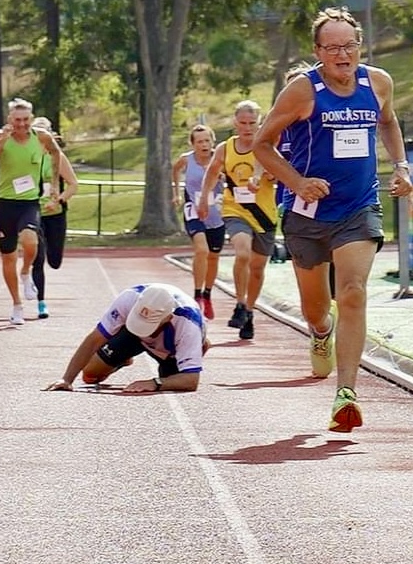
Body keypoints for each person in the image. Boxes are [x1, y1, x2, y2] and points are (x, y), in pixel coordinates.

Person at [253, 8, 413, 433]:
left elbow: (389, 122)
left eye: (350, 45)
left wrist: (401, 167)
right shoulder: (301, 92)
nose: (343, 55)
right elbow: (262, 145)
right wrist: (299, 183)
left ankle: (347, 392)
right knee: (316, 308)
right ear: (317, 52)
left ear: (360, 44)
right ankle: (321, 331)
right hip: (307, 214)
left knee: (354, 292)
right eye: (333, 48)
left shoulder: (378, 83)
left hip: (358, 207)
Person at [0, 97, 66, 326]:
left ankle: (26, 271)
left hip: (29, 202)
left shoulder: (41, 137)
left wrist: (55, 186)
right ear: (10, 119)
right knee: (7, 258)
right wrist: (2, 141)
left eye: (26, 119)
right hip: (5, 204)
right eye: (17, 120)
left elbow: (56, 154)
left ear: (32, 119)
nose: (22, 124)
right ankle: (16, 304)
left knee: (30, 241)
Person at [199, 101, 276, 341]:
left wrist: (265, 175)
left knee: (257, 268)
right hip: (235, 210)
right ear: (235, 123)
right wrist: (203, 199)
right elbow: (212, 173)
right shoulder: (225, 148)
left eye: (252, 123)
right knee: (242, 253)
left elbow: (273, 171)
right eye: (242, 123)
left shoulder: (267, 145)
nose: (247, 128)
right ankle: (240, 302)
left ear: (259, 122)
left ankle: (249, 312)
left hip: (264, 214)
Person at [42, 283, 207, 393]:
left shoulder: (188, 323)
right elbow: (94, 339)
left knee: (175, 384)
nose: (145, 330)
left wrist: (155, 383)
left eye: (150, 325)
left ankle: (199, 347)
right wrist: (66, 379)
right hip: (133, 335)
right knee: (90, 375)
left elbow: (191, 381)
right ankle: (124, 358)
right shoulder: (129, 298)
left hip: (171, 349)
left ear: (168, 318)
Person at [172, 123, 226, 318]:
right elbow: (175, 169)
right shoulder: (186, 160)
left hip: (216, 212)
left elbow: (233, 178)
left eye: (207, 140)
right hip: (193, 209)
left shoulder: (220, 159)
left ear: (213, 142)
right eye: (199, 141)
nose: (204, 145)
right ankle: (196, 295)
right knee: (201, 250)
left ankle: (207, 294)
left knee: (213, 256)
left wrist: (224, 177)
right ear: (193, 144)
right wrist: (176, 192)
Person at [30, 117, 79, 320]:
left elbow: (73, 184)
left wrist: (58, 200)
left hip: (55, 213)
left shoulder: (57, 157)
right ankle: (41, 302)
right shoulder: (28, 156)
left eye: (44, 132)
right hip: (32, 212)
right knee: (37, 258)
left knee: (55, 260)